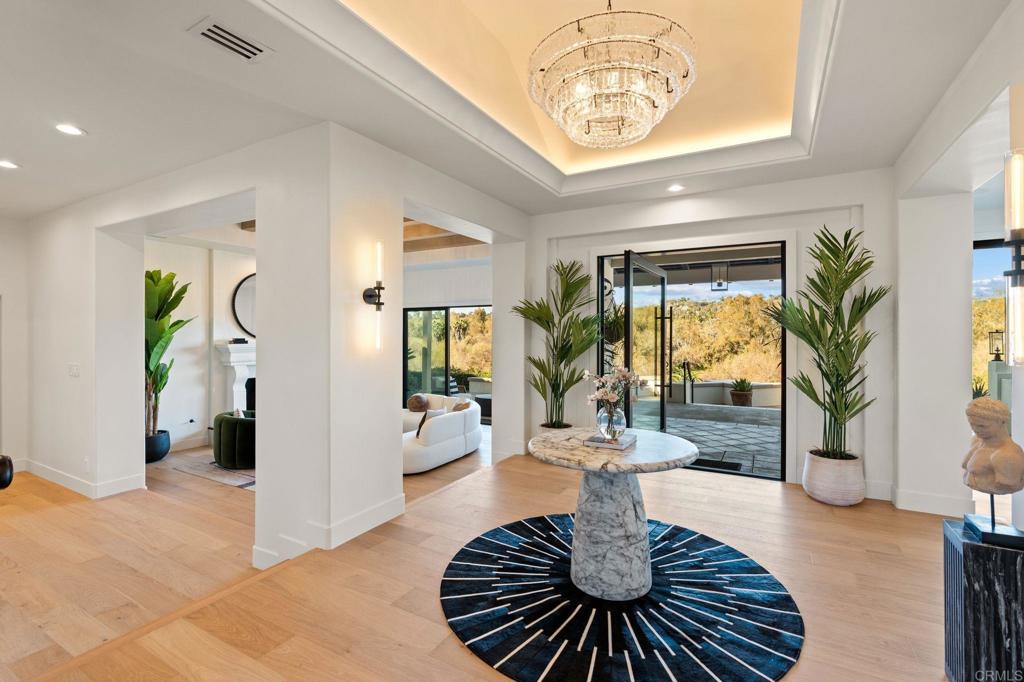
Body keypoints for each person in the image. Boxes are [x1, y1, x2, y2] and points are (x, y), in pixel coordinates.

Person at [962, 397, 1024, 495]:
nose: (975, 429)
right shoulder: (977, 441)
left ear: (1002, 422)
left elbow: (1009, 485)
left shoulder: (1006, 455)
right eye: (972, 424)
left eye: (982, 426)